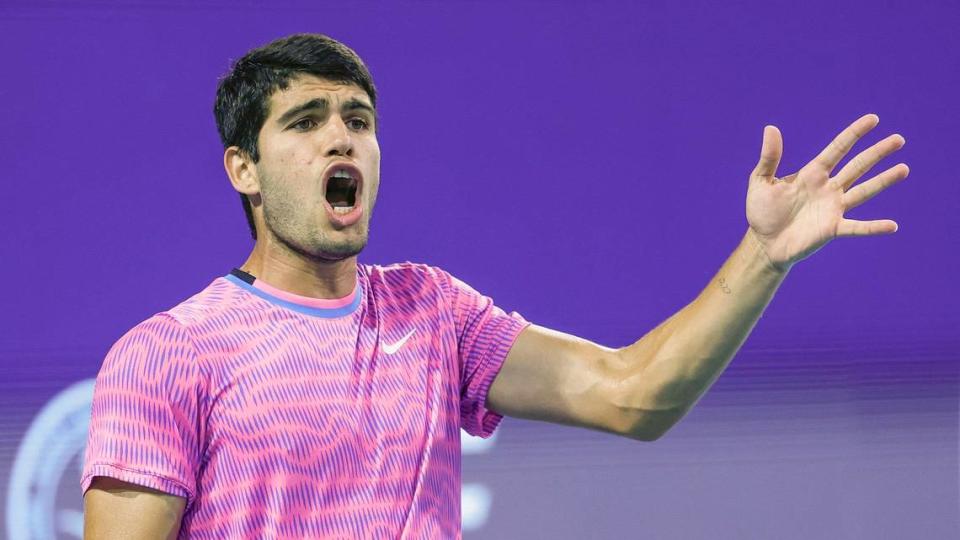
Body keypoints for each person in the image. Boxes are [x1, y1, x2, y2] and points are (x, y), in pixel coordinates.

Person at [81, 33, 909, 539]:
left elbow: (636, 395)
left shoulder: (433, 312)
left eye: (358, 122)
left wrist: (764, 255)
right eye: (305, 123)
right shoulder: (167, 355)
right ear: (244, 170)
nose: (343, 140)